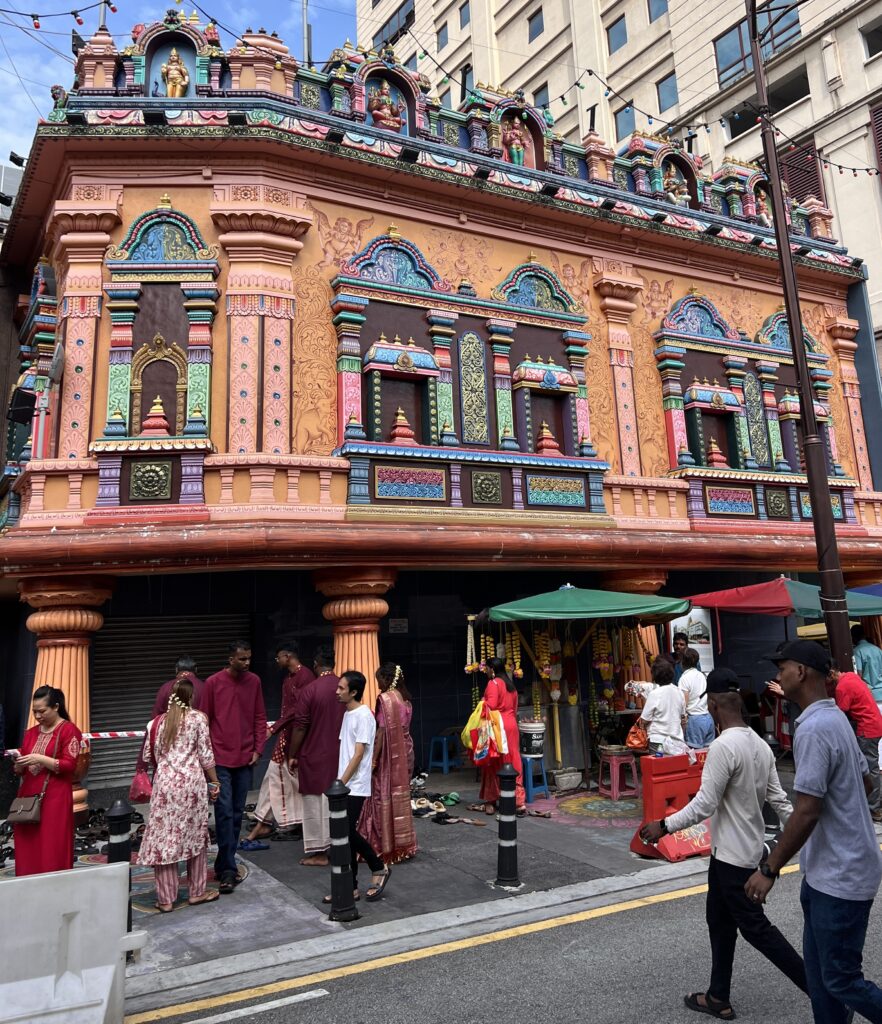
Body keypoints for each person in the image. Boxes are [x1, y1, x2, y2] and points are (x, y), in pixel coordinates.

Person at [641, 689, 807, 1020]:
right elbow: (779, 799)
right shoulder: (759, 744)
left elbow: (705, 803)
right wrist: (801, 830)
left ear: (714, 706)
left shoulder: (722, 747)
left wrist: (664, 824)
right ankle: (718, 996)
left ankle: (822, 992)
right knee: (719, 922)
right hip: (735, 854)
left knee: (757, 929)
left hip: (733, 858)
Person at [745, 640, 882, 1024]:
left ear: (801, 672)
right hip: (829, 871)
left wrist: (769, 869)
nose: (777, 675)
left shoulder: (815, 729)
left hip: (842, 875)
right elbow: (867, 783)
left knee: (841, 980)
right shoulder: (836, 718)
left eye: (782, 667)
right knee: (821, 980)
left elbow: (807, 811)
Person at [138, 677, 221, 911]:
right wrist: (215, 781)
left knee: (165, 839)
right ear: (191, 697)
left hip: (164, 786)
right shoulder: (198, 719)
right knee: (195, 835)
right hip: (192, 786)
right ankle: (197, 892)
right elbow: (206, 755)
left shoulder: (155, 723)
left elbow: (147, 756)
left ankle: (165, 900)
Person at [202, 641, 266, 894]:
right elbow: (204, 720)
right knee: (224, 812)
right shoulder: (213, 683)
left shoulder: (255, 682)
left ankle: (224, 863)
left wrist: (258, 749)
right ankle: (228, 869)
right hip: (219, 761)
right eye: (241, 659)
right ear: (230, 659)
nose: (247, 663)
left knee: (237, 813)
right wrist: (207, 759)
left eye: (249, 658)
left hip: (245, 759)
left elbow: (260, 717)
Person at [323, 670, 389, 905]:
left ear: (354, 692)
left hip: (356, 784)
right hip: (345, 783)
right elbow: (347, 751)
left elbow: (359, 753)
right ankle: (349, 887)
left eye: (342, 688)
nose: (337, 691)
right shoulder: (348, 714)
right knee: (345, 835)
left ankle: (378, 866)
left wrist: (342, 781)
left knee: (347, 832)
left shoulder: (363, 716)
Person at [242, 643, 315, 849]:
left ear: (287, 655)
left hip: (296, 737)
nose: (277, 661)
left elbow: (298, 711)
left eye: (278, 658)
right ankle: (270, 821)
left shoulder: (305, 677)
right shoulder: (289, 679)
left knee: (280, 779)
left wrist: (274, 729)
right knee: (276, 778)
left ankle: (277, 822)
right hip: (287, 735)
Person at [12, 686, 83, 876]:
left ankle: (54, 886)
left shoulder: (69, 731)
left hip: (55, 796)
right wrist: (19, 765)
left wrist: (40, 759)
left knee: (52, 841)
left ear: (56, 707)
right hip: (28, 795)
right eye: (34, 711)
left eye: (42, 711)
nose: (37, 715)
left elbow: (70, 765)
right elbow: (24, 765)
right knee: (27, 839)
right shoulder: (31, 732)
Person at [287, 645, 345, 867]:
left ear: (316, 665)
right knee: (340, 801)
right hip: (342, 754)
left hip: (314, 754)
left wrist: (292, 754)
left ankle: (320, 852)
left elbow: (300, 726)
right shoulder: (344, 687)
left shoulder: (310, 690)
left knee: (315, 803)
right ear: (334, 665)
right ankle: (339, 845)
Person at [358, 663, 418, 865]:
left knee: (380, 796)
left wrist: (373, 759)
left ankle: (383, 844)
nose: (378, 685)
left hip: (389, 756)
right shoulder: (405, 699)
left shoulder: (386, 700)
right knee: (400, 796)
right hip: (406, 752)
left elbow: (382, 733)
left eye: (379, 681)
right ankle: (402, 844)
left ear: (386, 679)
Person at [470, 657, 525, 815]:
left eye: (486, 668)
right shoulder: (511, 686)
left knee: (493, 761)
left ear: (492, 669)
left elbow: (491, 706)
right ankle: (519, 802)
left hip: (497, 726)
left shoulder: (493, 684)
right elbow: (514, 709)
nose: (485, 671)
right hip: (511, 725)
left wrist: (482, 701)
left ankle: (491, 800)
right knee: (513, 760)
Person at [827, 665, 882, 822]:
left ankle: (874, 808)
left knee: (869, 768)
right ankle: (872, 804)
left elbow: (841, 710)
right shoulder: (851, 676)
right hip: (874, 724)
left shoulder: (842, 686)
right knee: (869, 766)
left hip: (867, 728)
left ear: (831, 674)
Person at [639, 658, 686, 753]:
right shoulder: (679, 692)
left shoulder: (654, 694)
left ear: (655, 676)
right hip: (677, 740)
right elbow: (683, 719)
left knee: (658, 767)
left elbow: (644, 720)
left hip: (658, 741)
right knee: (674, 767)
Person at [679, 647, 715, 747]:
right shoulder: (703, 676)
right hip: (708, 718)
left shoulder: (684, 679)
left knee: (694, 756)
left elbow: (683, 703)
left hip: (694, 721)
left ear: (682, 662)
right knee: (707, 754)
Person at [852, 625, 882, 713]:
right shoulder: (878, 650)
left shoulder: (857, 651)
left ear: (853, 637)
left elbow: (858, 674)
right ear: (864, 635)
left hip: (871, 695)